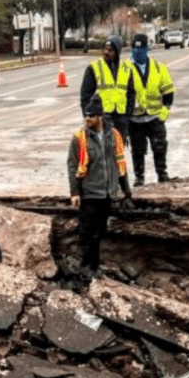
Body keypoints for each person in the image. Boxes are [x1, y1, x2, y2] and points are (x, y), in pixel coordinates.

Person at [67, 95, 133, 281]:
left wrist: (126, 191)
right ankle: (85, 269)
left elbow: (120, 163)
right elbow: (72, 166)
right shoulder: (79, 138)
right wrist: (74, 193)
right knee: (86, 233)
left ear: (101, 117)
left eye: (92, 116)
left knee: (99, 233)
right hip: (89, 194)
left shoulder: (114, 136)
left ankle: (94, 268)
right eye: (86, 115)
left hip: (107, 194)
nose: (87, 119)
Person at [126, 32, 176, 185]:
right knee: (137, 150)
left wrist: (165, 110)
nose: (138, 53)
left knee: (159, 146)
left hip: (154, 117)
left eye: (141, 50)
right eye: (135, 50)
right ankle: (139, 177)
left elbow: (168, 91)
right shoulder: (125, 69)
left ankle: (162, 174)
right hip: (134, 119)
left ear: (148, 50)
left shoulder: (158, 68)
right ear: (132, 50)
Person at [79, 35, 136, 139]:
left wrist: (128, 115)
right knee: (101, 150)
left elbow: (131, 93)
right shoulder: (94, 67)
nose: (106, 52)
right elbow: (85, 95)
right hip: (101, 118)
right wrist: (87, 116)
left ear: (117, 52)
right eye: (104, 49)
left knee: (118, 150)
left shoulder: (127, 68)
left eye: (110, 50)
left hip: (121, 118)